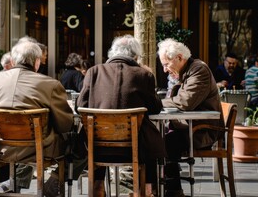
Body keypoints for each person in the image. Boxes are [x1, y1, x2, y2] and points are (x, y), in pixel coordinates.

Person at [0, 41, 86, 196]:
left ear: (13, 61)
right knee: (83, 142)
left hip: (1, 148)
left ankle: (12, 184)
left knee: (32, 139)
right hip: (39, 148)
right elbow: (65, 124)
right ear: (36, 62)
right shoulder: (50, 84)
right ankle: (55, 180)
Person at [76, 34, 165, 197]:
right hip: (135, 147)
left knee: (98, 132)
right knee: (152, 140)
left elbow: (80, 106)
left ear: (112, 53)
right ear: (136, 56)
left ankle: (97, 187)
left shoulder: (93, 72)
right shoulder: (144, 75)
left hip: (97, 147)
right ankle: (146, 190)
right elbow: (155, 108)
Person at [157, 38, 224, 197]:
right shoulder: (184, 71)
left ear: (179, 58)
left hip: (203, 130)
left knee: (167, 142)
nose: (165, 70)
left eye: (166, 64)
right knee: (157, 138)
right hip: (189, 126)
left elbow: (185, 102)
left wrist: (156, 102)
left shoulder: (198, 70)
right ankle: (161, 188)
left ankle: (173, 191)